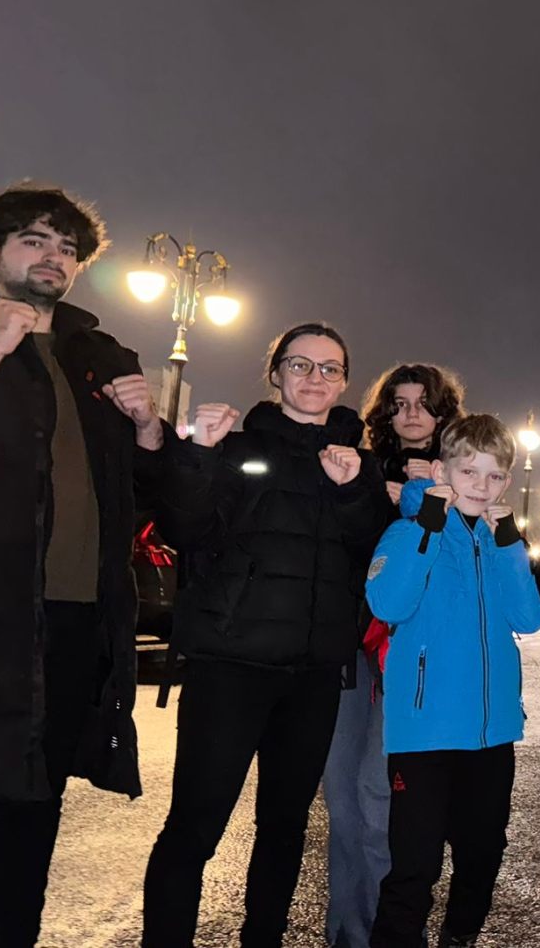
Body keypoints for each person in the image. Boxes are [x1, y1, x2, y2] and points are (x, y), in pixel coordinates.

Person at [0, 185, 166, 947]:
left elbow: (147, 500)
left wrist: (149, 430)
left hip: (70, 616)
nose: (54, 257)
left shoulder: (98, 357)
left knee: (32, 805)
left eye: (68, 248)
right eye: (35, 240)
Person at [142, 322, 387, 948]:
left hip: (313, 676)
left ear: (345, 382)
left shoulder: (359, 465)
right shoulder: (236, 446)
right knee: (196, 824)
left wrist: (354, 491)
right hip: (230, 667)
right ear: (275, 374)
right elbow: (183, 529)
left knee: (284, 827)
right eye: (300, 365)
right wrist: (197, 454)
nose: (315, 378)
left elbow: (374, 556)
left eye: (330, 368)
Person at [365, 414, 540, 948]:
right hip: (424, 733)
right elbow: (388, 603)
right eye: (468, 471)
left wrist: (510, 544)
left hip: (491, 734)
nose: (481, 486)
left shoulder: (499, 542)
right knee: (415, 864)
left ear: (507, 481)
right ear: (443, 471)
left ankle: (460, 936)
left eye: (493, 476)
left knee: (483, 855)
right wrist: (427, 524)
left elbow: (530, 616)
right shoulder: (408, 530)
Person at [322, 363, 466, 948]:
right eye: (399, 403)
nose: (411, 414)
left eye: (424, 403)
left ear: (443, 413)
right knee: (340, 798)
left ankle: (393, 930)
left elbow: (461, 557)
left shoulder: (459, 473)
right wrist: (365, 496)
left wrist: (428, 496)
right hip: (348, 644)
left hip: (411, 654)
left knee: (378, 794)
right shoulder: (357, 465)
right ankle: (347, 931)